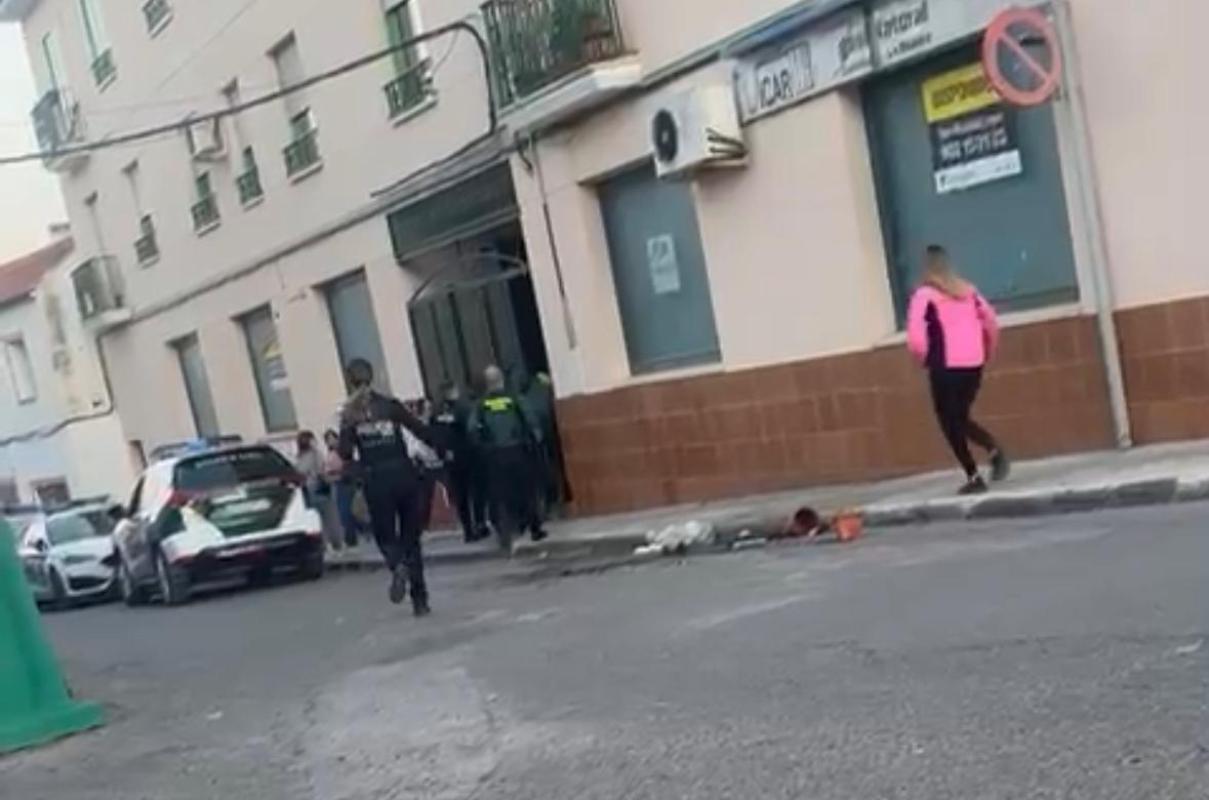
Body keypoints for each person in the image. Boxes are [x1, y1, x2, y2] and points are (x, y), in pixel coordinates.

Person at [907, 245, 1011, 495]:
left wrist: (925, 358)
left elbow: (916, 338)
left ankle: (973, 475)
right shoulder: (969, 292)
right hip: (973, 364)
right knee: (960, 417)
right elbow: (991, 322)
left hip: (945, 366)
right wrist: (986, 352)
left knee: (949, 421)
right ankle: (993, 449)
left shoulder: (924, 295)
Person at [337, 359, 438, 615]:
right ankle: (420, 600)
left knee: (385, 535)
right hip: (404, 475)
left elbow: (345, 452)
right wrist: (441, 448)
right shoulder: (390, 405)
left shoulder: (349, 414)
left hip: (376, 481)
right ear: (372, 377)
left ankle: (396, 565)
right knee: (411, 540)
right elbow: (420, 430)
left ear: (349, 380)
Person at [471, 365, 548, 551]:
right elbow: (531, 420)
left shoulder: (482, 404)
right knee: (527, 491)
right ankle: (534, 528)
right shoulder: (513, 398)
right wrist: (536, 440)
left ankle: (506, 533)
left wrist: (483, 446)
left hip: (495, 455)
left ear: (487, 383)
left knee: (500, 496)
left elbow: (472, 428)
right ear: (501, 380)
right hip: (517, 450)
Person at [431, 382, 483, 543]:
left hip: (450, 458)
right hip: (466, 455)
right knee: (474, 492)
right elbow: (471, 430)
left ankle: (469, 530)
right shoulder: (462, 408)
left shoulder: (437, 412)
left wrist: (441, 453)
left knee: (461, 496)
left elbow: (433, 434)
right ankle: (478, 525)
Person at [295, 431, 340, 553]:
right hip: (320, 488)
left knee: (317, 519)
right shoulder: (315, 454)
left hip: (307, 491)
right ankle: (335, 543)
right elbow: (321, 471)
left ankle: (325, 544)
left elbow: (299, 473)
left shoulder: (299, 457)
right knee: (330, 516)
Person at [323, 429, 366, 551]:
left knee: (355, 510)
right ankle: (351, 538)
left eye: (333, 438)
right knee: (345, 513)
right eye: (329, 440)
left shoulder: (345, 451)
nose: (332, 441)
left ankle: (360, 532)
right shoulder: (330, 455)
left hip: (350, 482)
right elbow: (327, 475)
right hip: (340, 484)